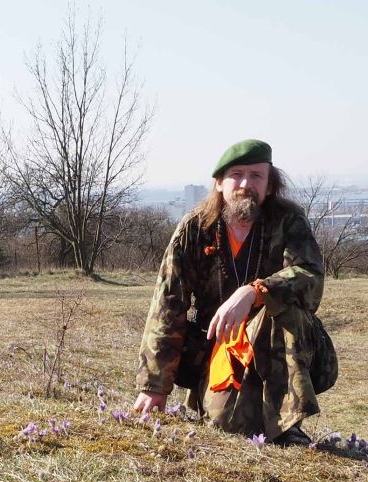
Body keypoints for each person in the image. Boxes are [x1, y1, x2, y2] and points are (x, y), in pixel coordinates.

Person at [132, 139, 336, 446]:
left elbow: (311, 278)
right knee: (226, 425)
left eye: (256, 176)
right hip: (215, 348)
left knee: (283, 308)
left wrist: (254, 292)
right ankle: (216, 402)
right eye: (236, 175)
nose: (245, 184)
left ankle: (287, 425)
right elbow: (167, 306)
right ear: (219, 183)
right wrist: (154, 386)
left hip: (277, 344)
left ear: (269, 185)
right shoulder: (194, 230)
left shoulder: (288, 222)